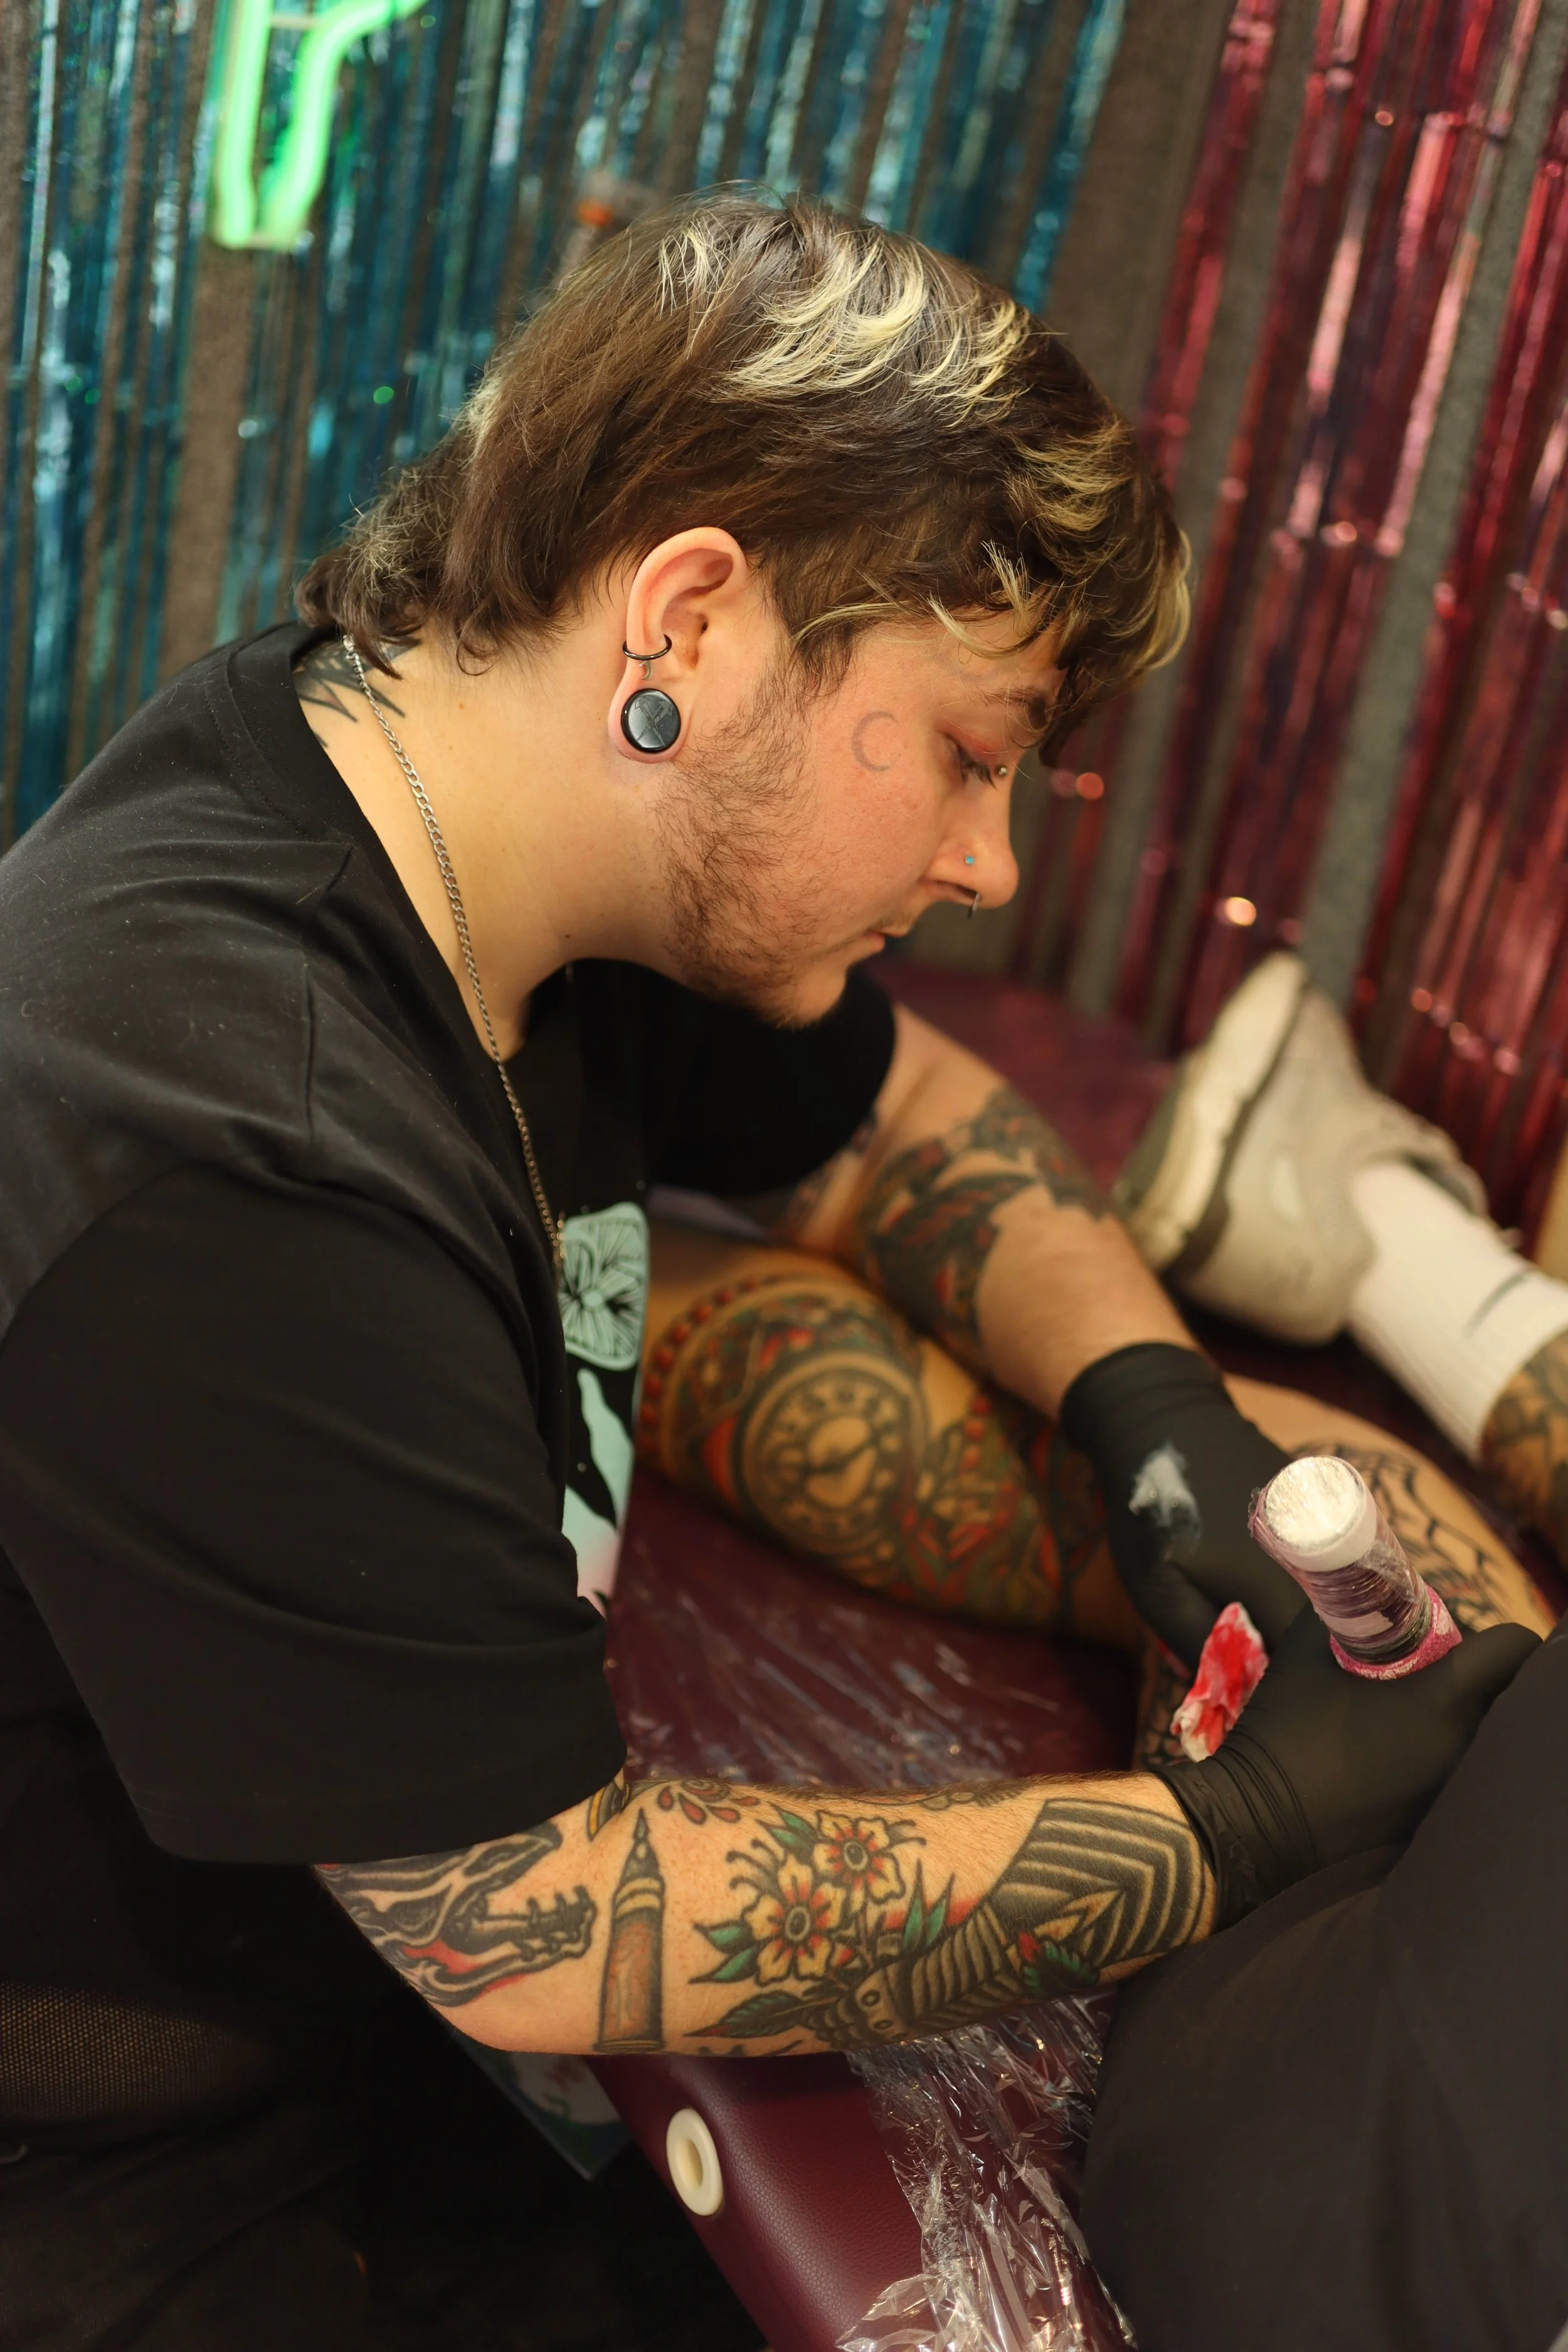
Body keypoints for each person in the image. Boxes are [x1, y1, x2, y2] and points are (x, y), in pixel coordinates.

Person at [0, 196, 1536, 2348]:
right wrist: (1229, 1835)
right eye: (974, 754)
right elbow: (533, 1919)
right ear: (698, 619)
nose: (989, 862)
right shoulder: (238, 1132)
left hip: (358, 2016)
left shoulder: (508, 824)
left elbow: (897, 1121)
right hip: (119, 2164)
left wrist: (1148, 1412)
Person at [636, 945, 1568, 2352]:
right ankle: (1383, 1244)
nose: (991, 870)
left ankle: (551, 1267)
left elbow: (502, 1914)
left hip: (1336, 2208)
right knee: (1306, 1510)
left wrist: (1238, 1819)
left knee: (1322, 1498)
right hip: (1374, 2186)